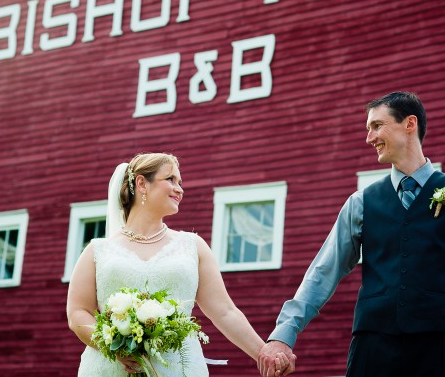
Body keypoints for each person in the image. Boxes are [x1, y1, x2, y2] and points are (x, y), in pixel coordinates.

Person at [258, 91, 445, 377]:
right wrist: (284, 332)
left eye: (377, 126)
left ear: (409, 124)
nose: (369, 138)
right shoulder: (361, 203)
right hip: (371, 349)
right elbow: (323, 272)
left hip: (437, 349)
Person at [67, 152, 295, 376]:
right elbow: (78, 312)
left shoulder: (192, 246)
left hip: (178, 369)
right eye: (170, 179)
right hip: (111, 369)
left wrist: (263, 353)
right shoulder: (97, 250)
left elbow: (225, 312)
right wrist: (113, 347)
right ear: (141, 183)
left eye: (180, 182)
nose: (180, 188)